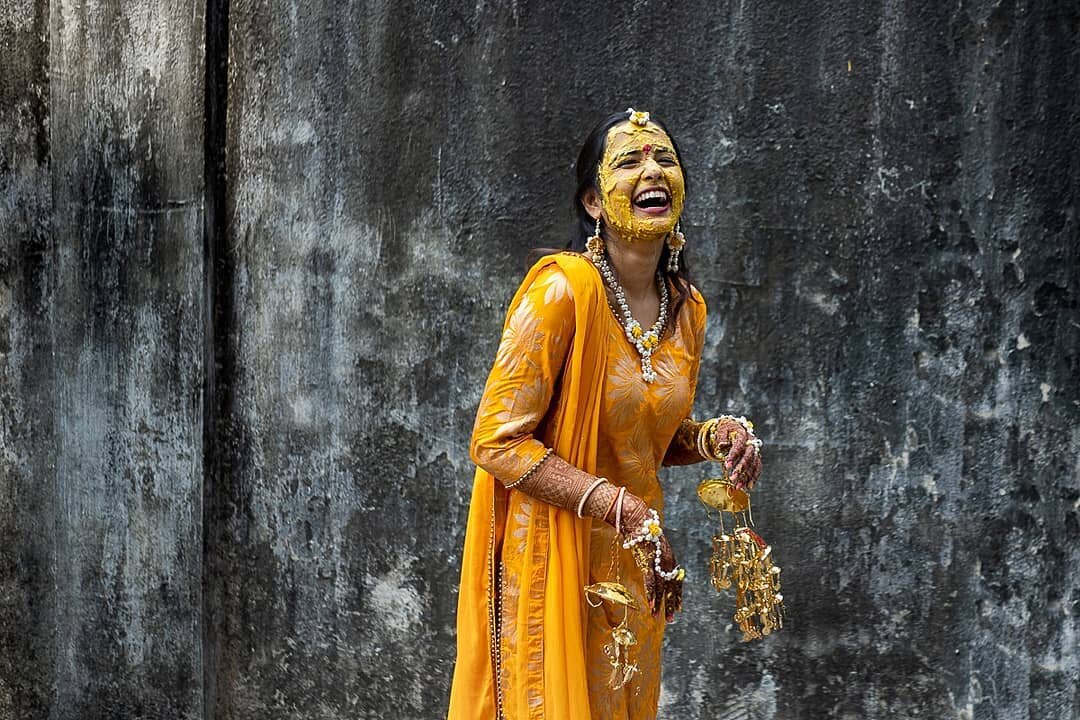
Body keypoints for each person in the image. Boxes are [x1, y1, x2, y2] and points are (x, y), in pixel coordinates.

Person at [447, 108, 763, 720]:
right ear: (594, 202)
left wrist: (714, 439)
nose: (653, 170)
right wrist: (619, 507)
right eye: (630, 161)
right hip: (554, 556)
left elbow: (648, 436)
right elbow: (495, 441)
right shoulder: (562, 293)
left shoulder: (686, 309)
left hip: (635, 559)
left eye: (665, 159)